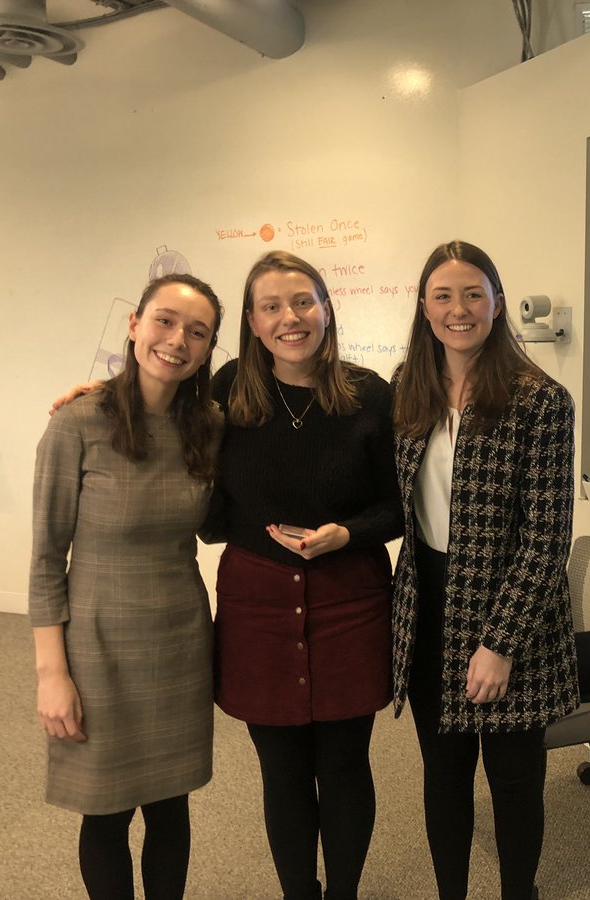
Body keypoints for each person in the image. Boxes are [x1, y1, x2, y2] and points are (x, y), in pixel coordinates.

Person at [205, 251, 400, 900]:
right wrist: (92, 396)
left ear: (325, 309)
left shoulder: (370, 394)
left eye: (302, 302)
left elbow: (399, 505)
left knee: (344, 766)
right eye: (271, 306)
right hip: (257, 603)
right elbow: (157, 413)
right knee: (282, 772)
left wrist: (348, 533)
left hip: (350, 599)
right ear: (252, 322)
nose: (289, 318)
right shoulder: (226, 392)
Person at [390, 240, 579, 900]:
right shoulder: (407, 390)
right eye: (443, 296)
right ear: (424, 307)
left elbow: (547, 539)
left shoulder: (539, 401)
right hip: (428, 611)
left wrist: (499, 644)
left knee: (514, 783)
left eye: (474, 294)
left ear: (497, 303)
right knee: (443, 778)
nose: (459, 309)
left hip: (512, 616)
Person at [30, 273, 225, 899]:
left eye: (198, 332)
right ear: (135, 324)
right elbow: (45, 560)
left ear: (209, 348)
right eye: (165, 320)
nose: (178, 340)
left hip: (179, 641)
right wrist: (51, 675)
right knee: (105, 810)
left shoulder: (211, 424)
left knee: (171, 806)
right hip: (97, 647)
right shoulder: (78, 424)